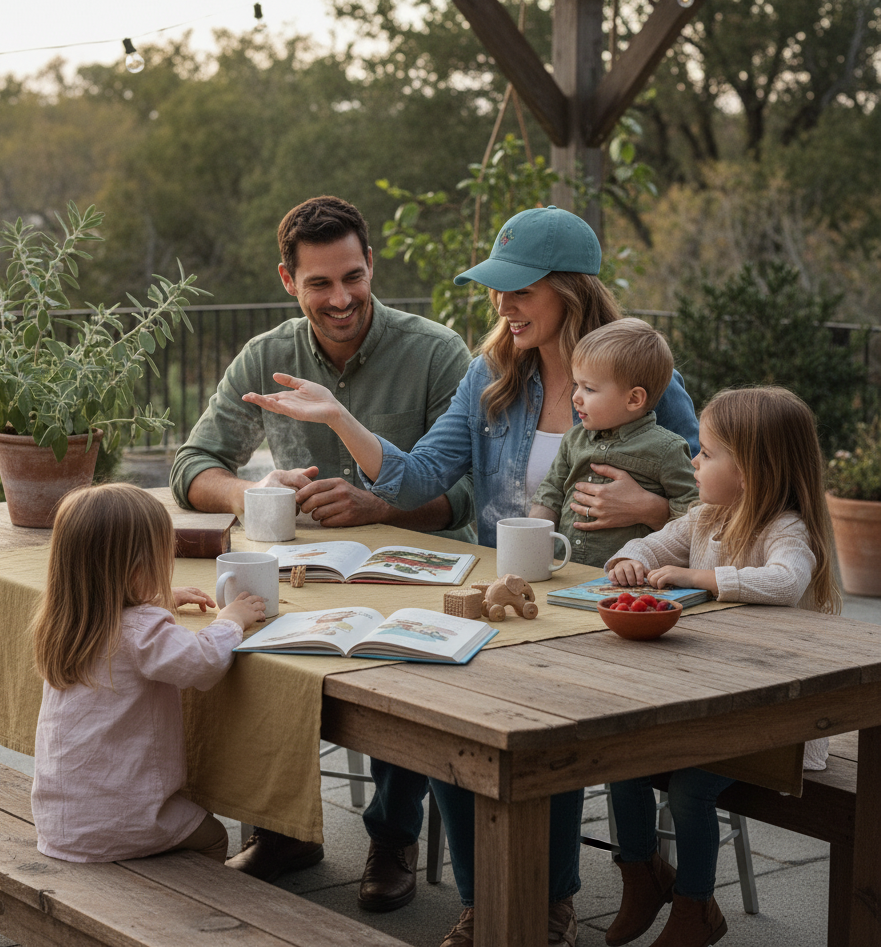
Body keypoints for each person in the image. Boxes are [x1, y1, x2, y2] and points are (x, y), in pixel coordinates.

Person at [242, 205, 701, 947]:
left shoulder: (640, 375)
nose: (503, 303)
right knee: (446, 708)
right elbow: (419, 476)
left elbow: (711, 493)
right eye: (497, 288)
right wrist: (339, 420)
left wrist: (648, 503)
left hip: (607, 607)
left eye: (521, 289)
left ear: (572, 290)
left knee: (532, 721)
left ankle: (541, 904)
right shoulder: (491, 374)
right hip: (513, 601)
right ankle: (490, 899)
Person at [170, 195, 475, 910]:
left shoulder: (437, 352)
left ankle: (392, 836)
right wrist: (254, 495)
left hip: (423, 570)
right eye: (319, 283)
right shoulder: (267, 355)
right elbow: (194, 464)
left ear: (371, 264)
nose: (340, 298)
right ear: (288, 281)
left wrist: (385, 503)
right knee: (234, 644)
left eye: (351, 277)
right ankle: (282, 829)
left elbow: (467, 493)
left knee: (407, 666)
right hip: (308, 571)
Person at [603, 386, 840, 947]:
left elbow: (786, 581)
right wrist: (629, 561)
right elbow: (654, 544)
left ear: (753, 469)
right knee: (617, 757)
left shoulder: (786, 529)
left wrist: (701, 578)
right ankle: (640, 874)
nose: (694, 462)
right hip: (710, 700)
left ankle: (695, 906)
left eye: (707, 454)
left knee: (689, 787)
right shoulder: (707, 517)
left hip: (779, 721)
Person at [29, 483, 266, 864]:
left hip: (61, 820)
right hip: (121, 821)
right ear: (137, 572)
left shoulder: (65, 621)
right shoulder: (141, 632)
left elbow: (114, 608)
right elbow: (203, 662)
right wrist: (230, 620)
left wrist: (159, 597)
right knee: (213, 836)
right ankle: (196, 914)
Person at [530, 318, 699, 567]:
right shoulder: (574, 439)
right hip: (567, 567)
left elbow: (693, 514)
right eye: (576, 384)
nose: (575, 397)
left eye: (589, 389)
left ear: (633, 399)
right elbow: (551, 492)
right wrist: (531, 537)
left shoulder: (667, 450)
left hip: (630, 579)